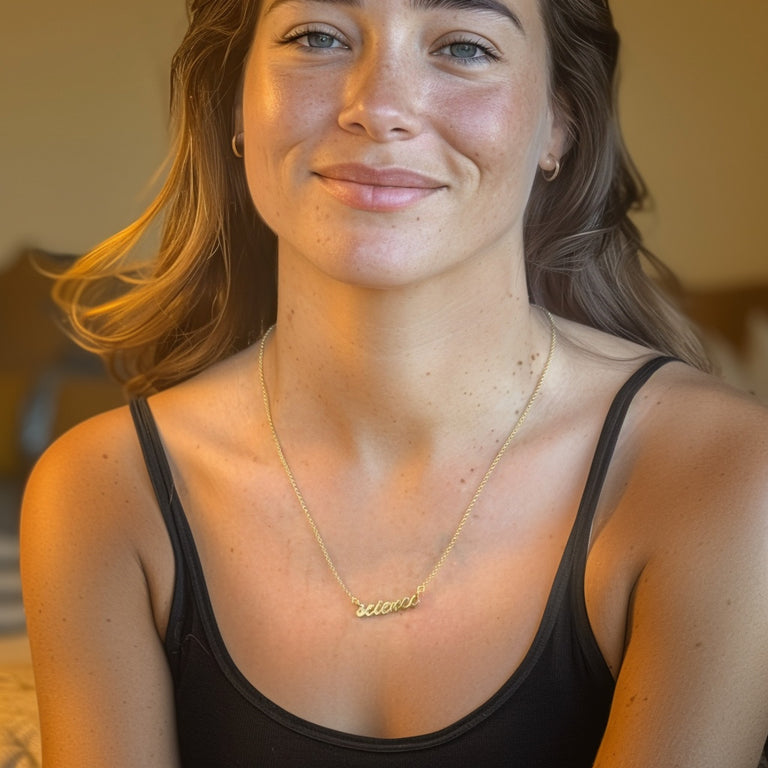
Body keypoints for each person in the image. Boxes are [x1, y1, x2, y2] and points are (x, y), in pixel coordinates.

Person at [20, 0, 768, 765]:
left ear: (559, 122)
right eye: (317, 36)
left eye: (465, 47)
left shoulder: (718, 473)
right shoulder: (105, 494)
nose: (377, 107)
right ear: (234, 104)